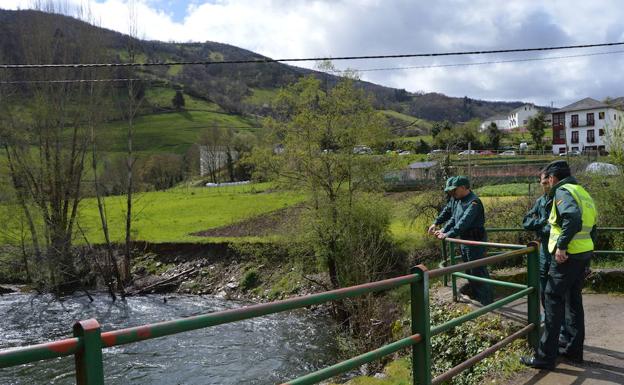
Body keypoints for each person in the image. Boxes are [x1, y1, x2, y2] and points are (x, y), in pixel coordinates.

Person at [521, 160, 597, 370]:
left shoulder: (562, 191)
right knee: (573, 302)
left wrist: (562, 246)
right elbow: (593, 227)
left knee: (552, 299)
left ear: (553, 178)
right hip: (581, 254)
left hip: (566, 256)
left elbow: (572, 218)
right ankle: (574, 352)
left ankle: (545, 357)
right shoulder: (581, 191)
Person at [430, 176, 493, 305]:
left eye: (455, 190)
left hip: (475, 241)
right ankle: (479, 299)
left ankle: (487, 302)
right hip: (465, 241)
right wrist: (443, 230)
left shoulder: (474, 202)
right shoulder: (459, 200)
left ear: (464, 187)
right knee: (469, 271)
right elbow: (454, 218)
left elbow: (464, 222)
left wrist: (448, 234)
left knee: (478, 271)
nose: (452, 193)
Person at [522, 171, 553, 308]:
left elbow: (555, 226)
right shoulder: (540, 202)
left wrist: (543, 227)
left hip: (558, 246)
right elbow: (526, 221)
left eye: (548, 182)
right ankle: (548, 316)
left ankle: (561, 323)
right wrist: (541, 222)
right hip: (544, 247)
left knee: (557, 283)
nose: (546, 186)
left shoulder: (560, 199)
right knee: (542, 280)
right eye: (544, 183)